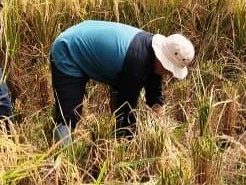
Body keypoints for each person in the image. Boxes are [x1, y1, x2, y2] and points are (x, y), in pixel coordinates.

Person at [50, 20, 195, 143]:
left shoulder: (151, 51)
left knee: (121, 90)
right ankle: (61, 162)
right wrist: (128, 142)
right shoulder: (136, 64)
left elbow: (154, 90)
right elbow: (125, 108)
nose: (170, 74)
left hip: (84, 35)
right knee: (69, 115)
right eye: (170, 69)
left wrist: (160, 125)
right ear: (163, 60)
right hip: (68, 49)